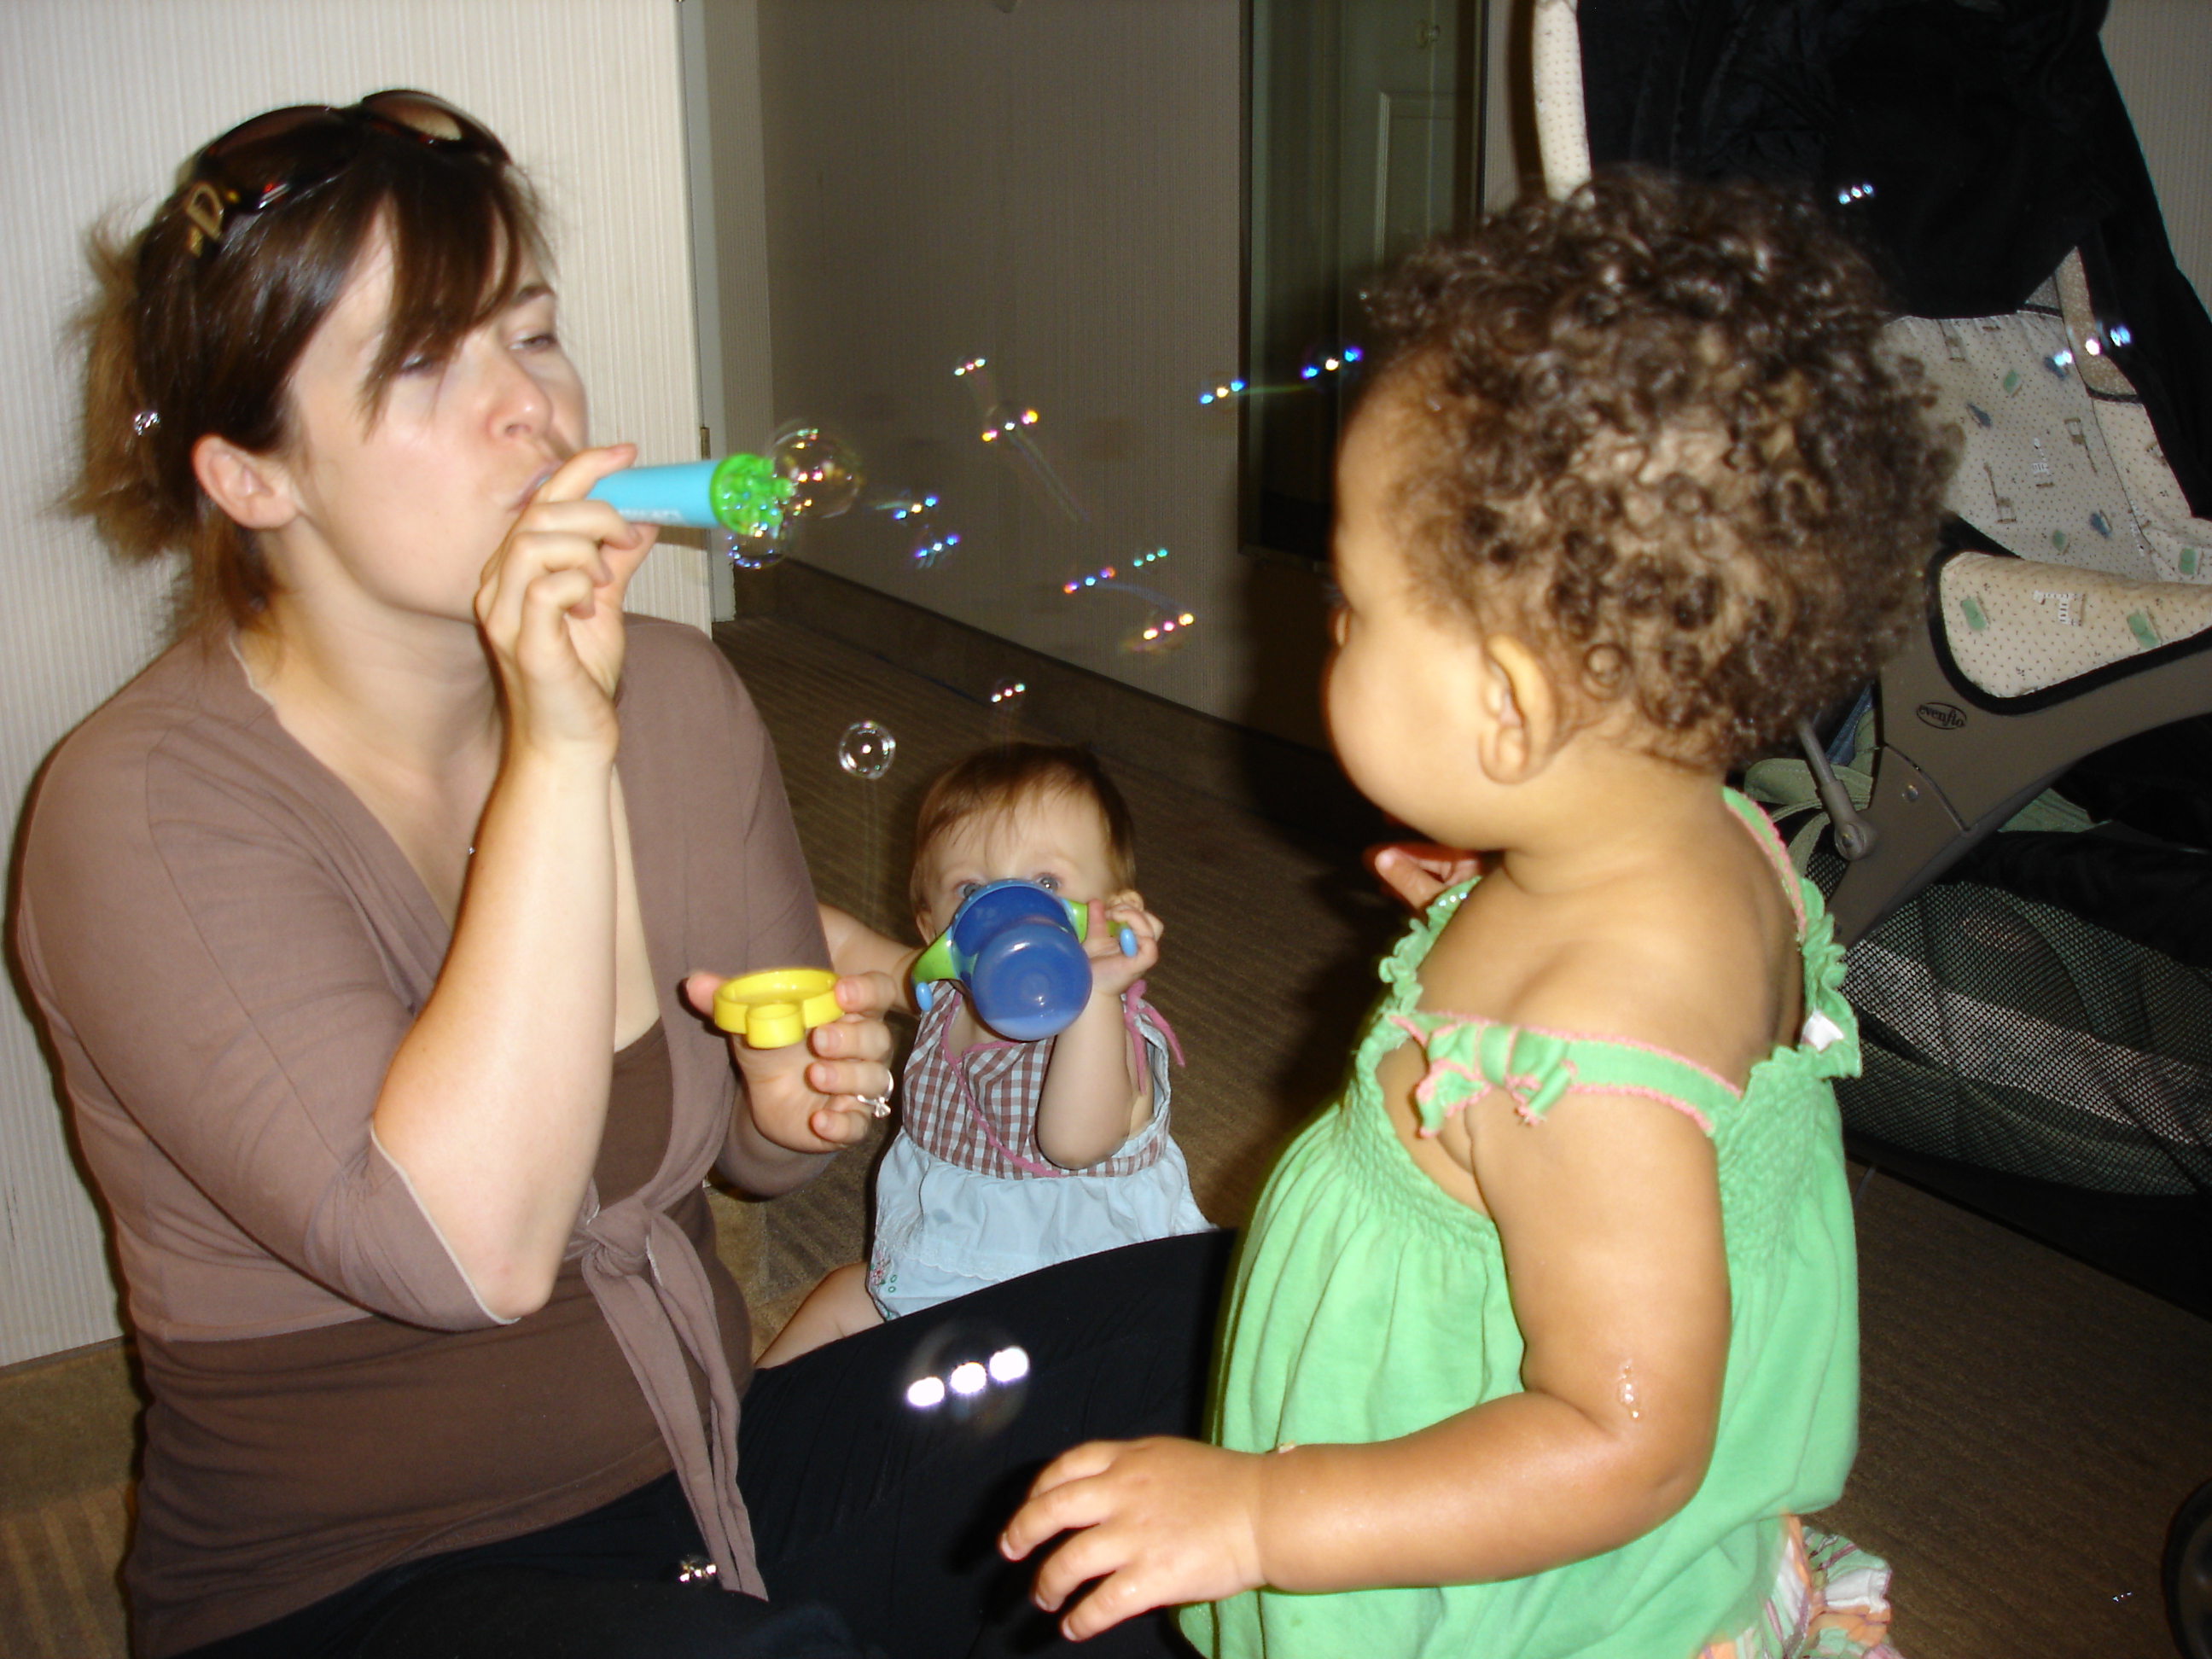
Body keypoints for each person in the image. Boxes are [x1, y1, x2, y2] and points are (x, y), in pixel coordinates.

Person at [23, 90, 1228, 1659]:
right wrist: (558, 747)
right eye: (423, 363)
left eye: (531, 332)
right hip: (361, 1581)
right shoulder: (138, 811)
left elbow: (750, 1154)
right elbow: (473, 1252)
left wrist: (786, 1100)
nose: (527, 407)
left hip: (718, 1481)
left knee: (1232, 1330)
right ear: (254, 477)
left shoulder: (677, 693)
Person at [1000, 168, 1953, 1657]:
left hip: (1507, 1596)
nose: (1322, 626)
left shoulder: (1574, 1062)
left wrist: (1263, 1514)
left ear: (1506, 709)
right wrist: (1506, 891)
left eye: (1352, 606)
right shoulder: (1711, 843)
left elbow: (1621, 1437)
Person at [760, 745, 1212, 1365]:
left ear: (1113, 916)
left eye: (1046, 883)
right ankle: (745, 1419)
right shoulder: (946, 987)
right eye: (970, 888)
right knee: (840, 1297)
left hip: (1080, 1304)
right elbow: (837, 943)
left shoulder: (1107, 1031)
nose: (1005, 909)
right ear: (933, 932)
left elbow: (1072, 1143)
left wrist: (1101, 993)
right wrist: (751, 917)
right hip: (949, 1278)